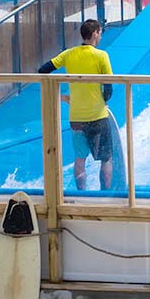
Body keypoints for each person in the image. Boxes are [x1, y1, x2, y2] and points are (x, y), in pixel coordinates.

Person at [38, 20, 114, 190]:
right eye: (100, 33)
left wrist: (61, 96)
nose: (100, 36)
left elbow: (43, 71)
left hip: (76, 117)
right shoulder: (101, 56)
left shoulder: (68, 54)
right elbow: (109, 87)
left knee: (80, 158)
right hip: (97, 116)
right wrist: (103, 102)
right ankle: (105, 196)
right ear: (95, 33)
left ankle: (82, 195)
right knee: (106, 158)